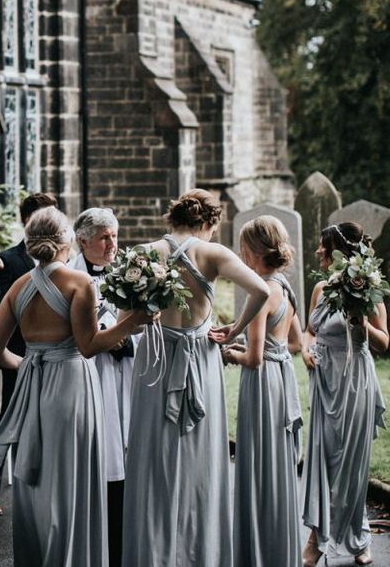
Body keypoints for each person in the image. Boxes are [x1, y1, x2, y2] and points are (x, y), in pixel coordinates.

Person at [0, 206, 152, 566]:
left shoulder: (18, 287)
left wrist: (30, 366)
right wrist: (132, 322)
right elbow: (90, 346)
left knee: (37, 477)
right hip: (74, 386)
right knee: (73, 477)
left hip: (35, 386)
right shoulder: (80, 284)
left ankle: (38, 555)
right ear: (67, 241)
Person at [121, 189, 270, 567]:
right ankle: (197, 553)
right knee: (199, 458)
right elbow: (262, 289)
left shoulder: (143, 252)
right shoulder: (213, 254)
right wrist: (235, 329)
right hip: (199, 358)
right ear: (210, 222)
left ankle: (152, 554)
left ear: (174, 218)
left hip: (155, 358)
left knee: (152, 454)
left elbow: (125, 313)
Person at [210, 216, 303, 567]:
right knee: (276, 465)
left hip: (262, 386)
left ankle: (259, 553)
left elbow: (253, 359)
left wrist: (225, 353)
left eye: (242, 248)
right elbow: (293, 342)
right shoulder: (285, 287)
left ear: (253, 252)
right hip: (283, 380)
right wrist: (234, 330)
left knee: (258, 465)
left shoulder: (260, 293)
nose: (239, 253)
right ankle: (280, 548)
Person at [301, 222, 388, 566]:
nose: (319, 252)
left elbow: (384, 342)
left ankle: (359, 534)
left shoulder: (369, 290)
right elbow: (310, 330)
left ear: (340, 252)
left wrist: (361, 321)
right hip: (325, 382)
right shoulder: (321, 289)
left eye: (324, 247)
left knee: (351, 464)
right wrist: (307, 350)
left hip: (355, 382)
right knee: (323, 460)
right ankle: (317, 538)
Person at [0, 191, 57, 515]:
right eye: (45, 216)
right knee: (8, 422)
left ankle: (43, 487)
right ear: (28, 222)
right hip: (18, 357)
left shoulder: (61, 260)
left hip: (53, 355)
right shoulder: (9, 260)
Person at [71, 207, 133, 567]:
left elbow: (148, 322)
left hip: (124, 374)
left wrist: (128, 342)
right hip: (89, 374)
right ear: (83, 241)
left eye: (114, 236)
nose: (112, 244)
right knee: (99, 454)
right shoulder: (71, 277)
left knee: (124, 452)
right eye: (104, 238)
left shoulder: (130, 272)